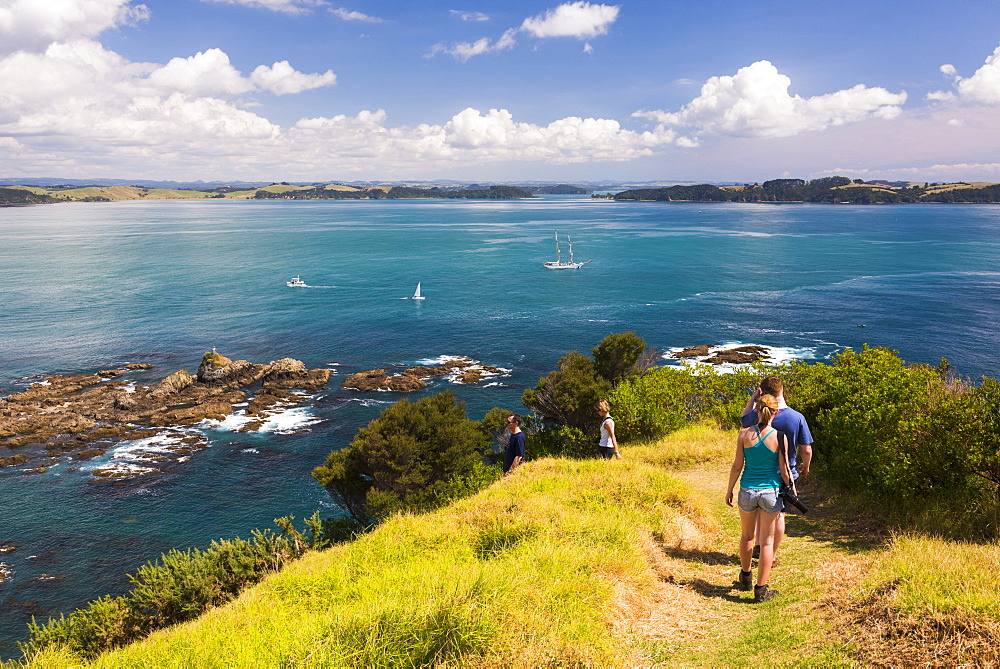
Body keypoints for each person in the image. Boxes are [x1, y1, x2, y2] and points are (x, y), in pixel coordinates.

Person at [726, 393, 793, 603]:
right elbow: (784, 470)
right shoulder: (780, 437)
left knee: (747, 536)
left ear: (756, 410)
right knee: (766, 542)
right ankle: (761, 590)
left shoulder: (744, 434)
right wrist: (792, 489)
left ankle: (745, 577)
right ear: (776, 412)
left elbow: (737, 466)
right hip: (770, 492)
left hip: (747, 490)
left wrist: (729, 489)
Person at [740, 376, 814, 562]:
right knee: (779, 515)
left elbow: (743, 420)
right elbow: (806, 448)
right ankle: (770, 555)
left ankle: (758, 546)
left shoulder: (760, 413)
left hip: (759, 472)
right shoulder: (797, 417)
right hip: (786, 472)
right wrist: (806, 465)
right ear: (782, 390)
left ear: (762, 392)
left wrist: (753, 399)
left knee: (758, 510)